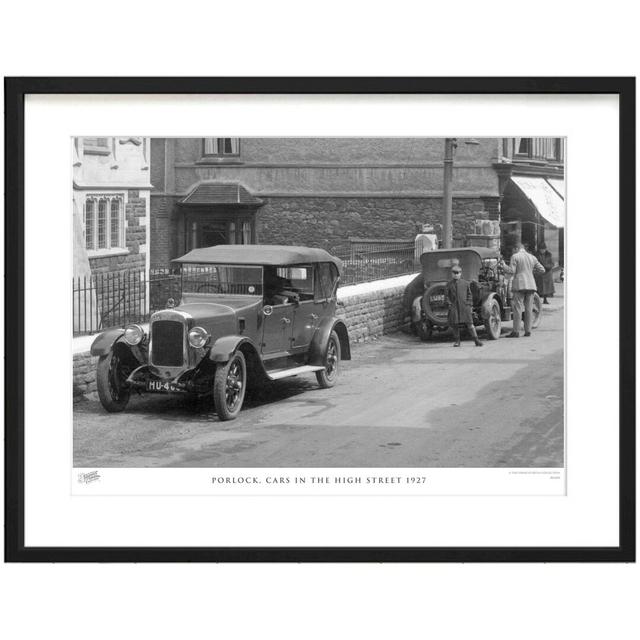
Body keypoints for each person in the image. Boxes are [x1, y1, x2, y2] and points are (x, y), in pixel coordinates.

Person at [501, 242, 545, 337]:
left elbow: (511, 271)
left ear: (516, 248)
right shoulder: (532, 257)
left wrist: (504, 265)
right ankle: (528, 331)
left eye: (513, 249)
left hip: (519, 285)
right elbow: (542, 270)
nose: (512, 251)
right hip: (531, 285)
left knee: (518, 308)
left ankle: (516, 331)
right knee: (529, 308)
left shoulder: (515, 256)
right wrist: (530, 273)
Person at [446, 265, 483, 347]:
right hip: (454, 307)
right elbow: (447, 296)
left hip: (465, 307)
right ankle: (457, 341)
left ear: (460, 273)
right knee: (455, 325)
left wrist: (469, 305)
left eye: (457, 273)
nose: (456, 275)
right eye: (454, 273)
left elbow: (469, 295)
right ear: (451, 274)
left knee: (470, 324)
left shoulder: (466, 283)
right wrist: (449, 304)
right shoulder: (449, 284)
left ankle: (476, 340)